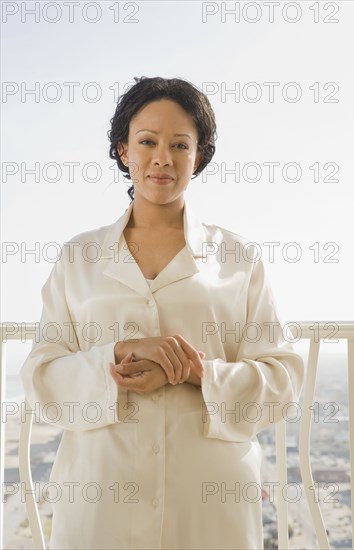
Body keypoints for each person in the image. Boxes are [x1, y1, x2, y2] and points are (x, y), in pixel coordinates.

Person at [21, 76, 304, 550]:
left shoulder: (239, 258)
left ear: (200, 156)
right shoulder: (78, 257)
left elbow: (284, 381)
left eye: (180, 144)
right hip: (101, 497)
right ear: (123, 150)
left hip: (210, 502)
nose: (162, 159)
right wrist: (119, 353)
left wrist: (197, 372)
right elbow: (42, 376)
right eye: (147, 141)